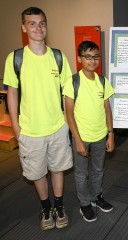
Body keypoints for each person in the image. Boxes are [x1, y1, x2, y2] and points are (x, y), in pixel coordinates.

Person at [3, 7, 73, 230]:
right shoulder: (15, 58)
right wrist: (16, 126)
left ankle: (59, 206)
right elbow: (11, 93)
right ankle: (45, 208)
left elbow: (68, 92)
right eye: (32, 23)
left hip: (57, 127)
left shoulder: (59, 57)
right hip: (30, 131)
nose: (38, 27)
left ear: (46, 25)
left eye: (41, 23)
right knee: (37, 173)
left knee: (58, 168)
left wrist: (66, 122)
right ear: (24, 28)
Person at [63, 40, 115, 222]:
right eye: (87, 57)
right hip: (82, 137)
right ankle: (84, 203)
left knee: (98, 170)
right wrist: (77, 140)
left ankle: (96, 197)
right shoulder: (73, 82)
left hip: (101, 135)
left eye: (95, 57)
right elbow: (68, 113)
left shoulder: (102, 81)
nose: (92, 60)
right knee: (81, 173)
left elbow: (107, 109)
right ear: (79, 59)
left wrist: (110, 134)